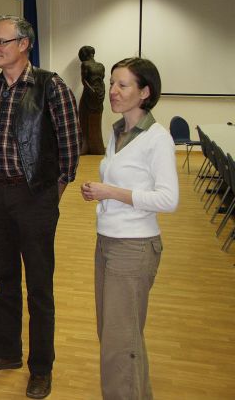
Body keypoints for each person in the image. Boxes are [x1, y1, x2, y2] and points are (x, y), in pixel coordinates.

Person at [0, 16, 80, 399]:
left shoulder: (51, 86)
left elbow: (70, 149)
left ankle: (41, 368)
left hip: (35, 198)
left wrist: (49, 197)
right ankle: (6, 352)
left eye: (2, 42)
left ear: (24, 44)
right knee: (4, 280)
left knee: (39, 287)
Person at [80, 57, 178, 399]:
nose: (113, 91)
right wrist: (100, 194)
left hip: (133, 248)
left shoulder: (156, 138)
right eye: (112, 84)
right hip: (108, 242)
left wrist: (111, 192)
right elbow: (122, 184)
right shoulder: (117, 131)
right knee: (115, 337)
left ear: (145, 92)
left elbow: (168, 199)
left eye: (123, 85)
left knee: (120, 343)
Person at [78, 45, 106, 155]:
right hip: (99, 94)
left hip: (89, 95)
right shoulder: (101, 66)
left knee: (84, 118)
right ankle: (97, 148)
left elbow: (84, 81)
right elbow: (101, 81)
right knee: (94, 120)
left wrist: (91, 91)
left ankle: (86, 146)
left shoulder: (85, 64)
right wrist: (100, 93)